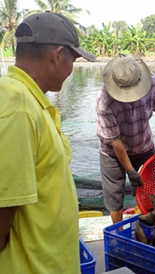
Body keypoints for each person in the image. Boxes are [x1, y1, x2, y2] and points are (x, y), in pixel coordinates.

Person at [0, 11, 96, 274]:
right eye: (73, 59)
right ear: (56, 55)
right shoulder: (18, 106)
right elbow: (4, 206)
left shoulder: (31, 102)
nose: (71, 69)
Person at [96, 54, 155, 224]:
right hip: (112, 153)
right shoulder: (104, 99)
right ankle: (118, 231)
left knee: (149, 189)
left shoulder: (152, 82)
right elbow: (115, 142)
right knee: (114, 194)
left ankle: (151, 223)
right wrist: (131, 171)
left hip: (143, 144)